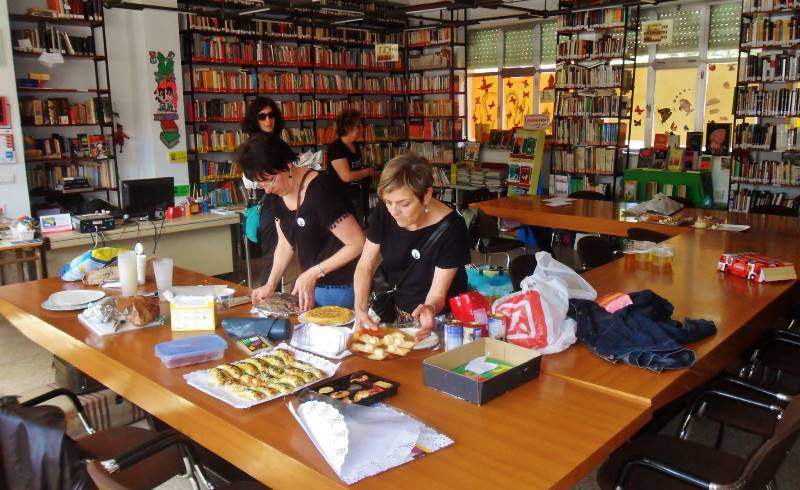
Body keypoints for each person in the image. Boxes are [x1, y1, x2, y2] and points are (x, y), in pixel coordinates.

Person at [237, 133, 365, 311]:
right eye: (261, 185)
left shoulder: (321, 191)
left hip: (341, 286)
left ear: (287, 166)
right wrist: (270, 284)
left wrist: (313, 272)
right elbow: (284, 243)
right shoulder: (276, 196)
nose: (267, 190)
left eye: (269, 181)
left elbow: (358, 243)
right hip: (310, 284)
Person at [353, 153, 470, 340]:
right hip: (399, 311)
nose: (394, 211)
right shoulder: (385, 211)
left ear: (426, 195)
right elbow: (365, 266)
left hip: (440, 320)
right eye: (388, 202)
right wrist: (360, 309)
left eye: (404, 204)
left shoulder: (452, 228)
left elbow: (438, 294)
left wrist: (429, 308)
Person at [241, 97, 286, 285]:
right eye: (262, 116)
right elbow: (248, 179)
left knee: (284, 252)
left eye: (271, 115)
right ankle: (267, 297)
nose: (268, 120)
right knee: (273, 256)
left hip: (286, 199)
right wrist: (270, 179)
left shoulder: (277, 141)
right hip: (269, 203)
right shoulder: (255, 144)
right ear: (255, 119)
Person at [326, 110, 376, 222]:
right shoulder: (336, 148)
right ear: (348, 128)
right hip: (341, 199)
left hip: (357, 196)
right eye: (358, 126)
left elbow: (356, 168)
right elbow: (347, 176)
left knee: (361, 224)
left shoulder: (355, 145)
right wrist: (367, 172)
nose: (361, 129)